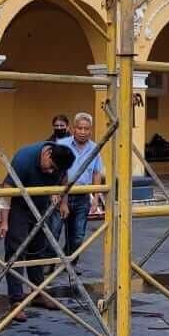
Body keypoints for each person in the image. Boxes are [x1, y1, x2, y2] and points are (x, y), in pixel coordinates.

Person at [0, 139, 75, 319]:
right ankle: (16, 301)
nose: (50, 172)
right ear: (47, 154)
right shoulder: (24, 158)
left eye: (55, 170)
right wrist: (4, 222)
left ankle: (38, 293)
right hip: (19, 207)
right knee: (16, 251)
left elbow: (65, 181)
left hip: (40, 207)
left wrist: (64, 203)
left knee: (38, 250)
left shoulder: (60, 162)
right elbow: (6, 189)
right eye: (50, 167)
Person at [62, 112, 105, 262]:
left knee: (78, 235)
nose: (82, 132)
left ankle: (70, 263)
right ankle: (51, 265)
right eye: (80, 128)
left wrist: (96, 198)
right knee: (54, 232)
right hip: (62, 195)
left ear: (90, 130)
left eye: (86, 129)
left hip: (83, 197)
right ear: (73, 129)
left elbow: (96, 173)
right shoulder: (63, 145)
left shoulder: (95, 149)